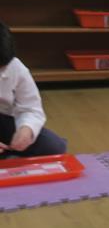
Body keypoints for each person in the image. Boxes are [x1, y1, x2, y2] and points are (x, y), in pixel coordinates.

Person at [0, 22, 67, 157]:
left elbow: (31, 107)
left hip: (3, 118)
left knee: (54, 146)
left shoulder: (16, 68)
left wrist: (26, 129)